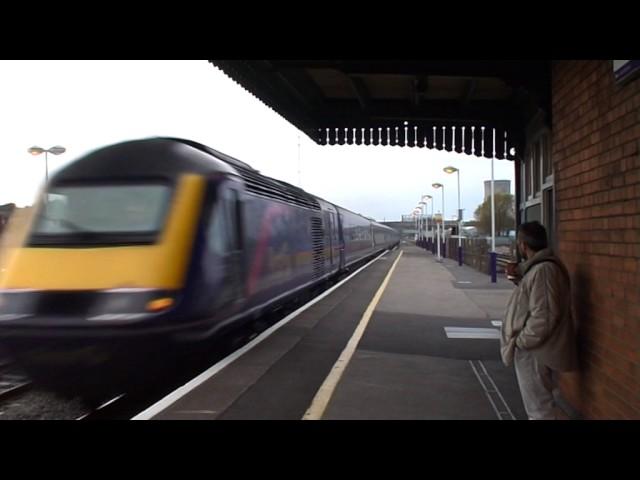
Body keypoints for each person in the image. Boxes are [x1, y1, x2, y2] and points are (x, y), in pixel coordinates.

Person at [500, 221, 578, 420]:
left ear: (523, 245)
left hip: (535, 352)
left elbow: (544, 316)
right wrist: (520, 278)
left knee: (539, 410)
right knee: (540, 407)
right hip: (537, 349)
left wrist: (521, 342)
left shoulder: (543, 271)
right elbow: (540, 302)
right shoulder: (541, 270)